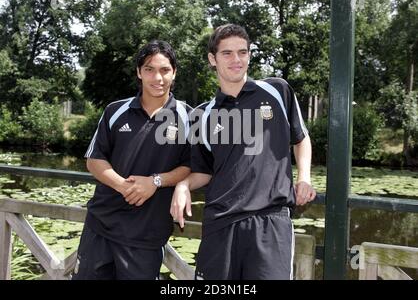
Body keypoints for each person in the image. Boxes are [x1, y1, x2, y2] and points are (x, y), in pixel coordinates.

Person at [170, 24, 316, 280]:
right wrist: (183, 185)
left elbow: (300, 139)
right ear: (212, 59)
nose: (236, 60)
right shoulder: (201, 115)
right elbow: (203, 172)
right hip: (220, 224)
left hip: (271, 221)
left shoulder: (277, 91)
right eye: (227, 53)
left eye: (243, 52)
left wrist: (304, 177)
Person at [72, 40, 191, 280]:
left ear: (174, 73)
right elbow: (94, 159)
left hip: (146, 236)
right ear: (139, 72)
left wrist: (155, 182)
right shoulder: (115, 111)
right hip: (100, 228)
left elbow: (191, 167)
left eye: (165, 70)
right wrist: (123, 186)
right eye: (149, 69)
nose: (157, 78)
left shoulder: (189, 117)